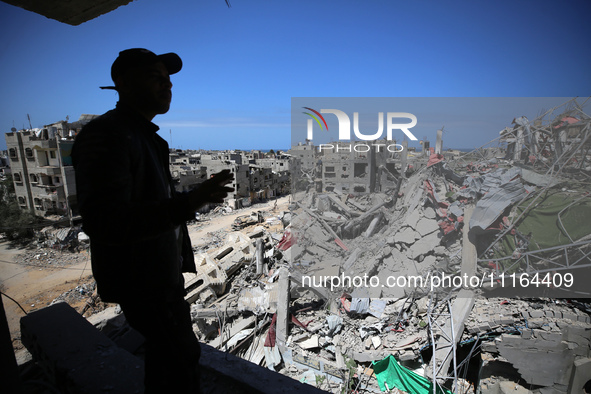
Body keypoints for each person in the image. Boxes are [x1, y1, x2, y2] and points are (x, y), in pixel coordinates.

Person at [72, 48, 234, 393]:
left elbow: (148, 204)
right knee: (179, 355)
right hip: (139, 277)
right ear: (125, 85)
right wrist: (189, 202)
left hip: (159, 272)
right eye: (155, 77)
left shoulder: (142, 136)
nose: (167, 84)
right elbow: (107, 221)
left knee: (168, 356)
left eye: (168, 78)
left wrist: (186, 205)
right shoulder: (108, 135)